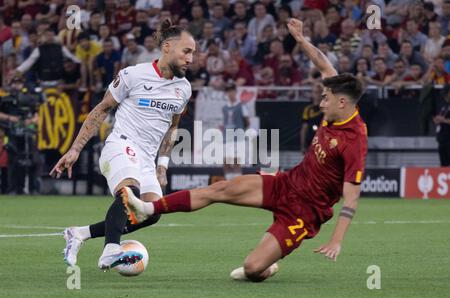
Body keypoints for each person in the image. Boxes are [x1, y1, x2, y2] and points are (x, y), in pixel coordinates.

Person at [122, 18, 368, 282]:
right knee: (219, 189)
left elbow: (351, 198)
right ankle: (148, 209)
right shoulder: (338, 96)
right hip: (287, 183)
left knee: (252, 269)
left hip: (304, 213)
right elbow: (322, 62)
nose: (320, 104)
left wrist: (336, 241)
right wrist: (299, 38)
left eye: (325, 100)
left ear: (342, 103)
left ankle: (266, 266)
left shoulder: (353, 141)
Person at [50, 19, 195, 270]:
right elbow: (101, 110)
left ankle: (80, 233)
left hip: (148, 160)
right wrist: (75, 149)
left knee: (152, 213)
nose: (191, 59)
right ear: (167, 47)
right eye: (187, 51)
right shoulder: (133, 74)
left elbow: (173, 128)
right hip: (121, 145)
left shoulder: (183, 89)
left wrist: (162, 166)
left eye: (193, 53)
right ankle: (111, 250)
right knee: (129, 194)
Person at [433, 84, 450, 166]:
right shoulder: (444, 105)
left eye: (446, 94)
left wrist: (444, 120)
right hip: (442, 139)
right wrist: (436, 120)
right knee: (443, 164)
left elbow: (445, 120)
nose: (444, 97)